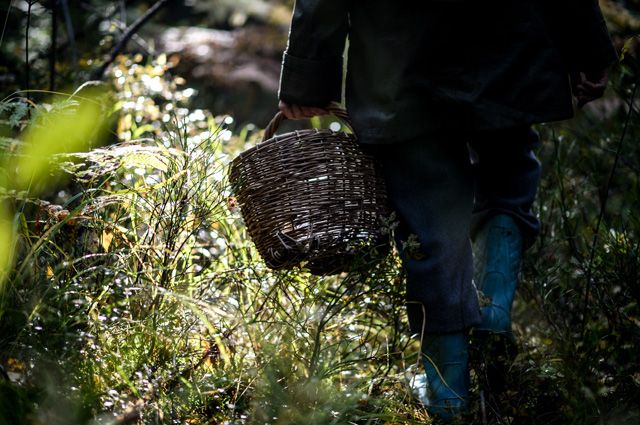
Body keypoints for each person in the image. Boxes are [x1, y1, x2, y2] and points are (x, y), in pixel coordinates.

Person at [276, 0, 617, 421]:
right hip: (509, 48)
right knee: (508, 184)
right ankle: (493, 312)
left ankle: (447, 398)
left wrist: (307, 79)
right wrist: (589, 48)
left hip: (400, 64)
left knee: (430, 226)